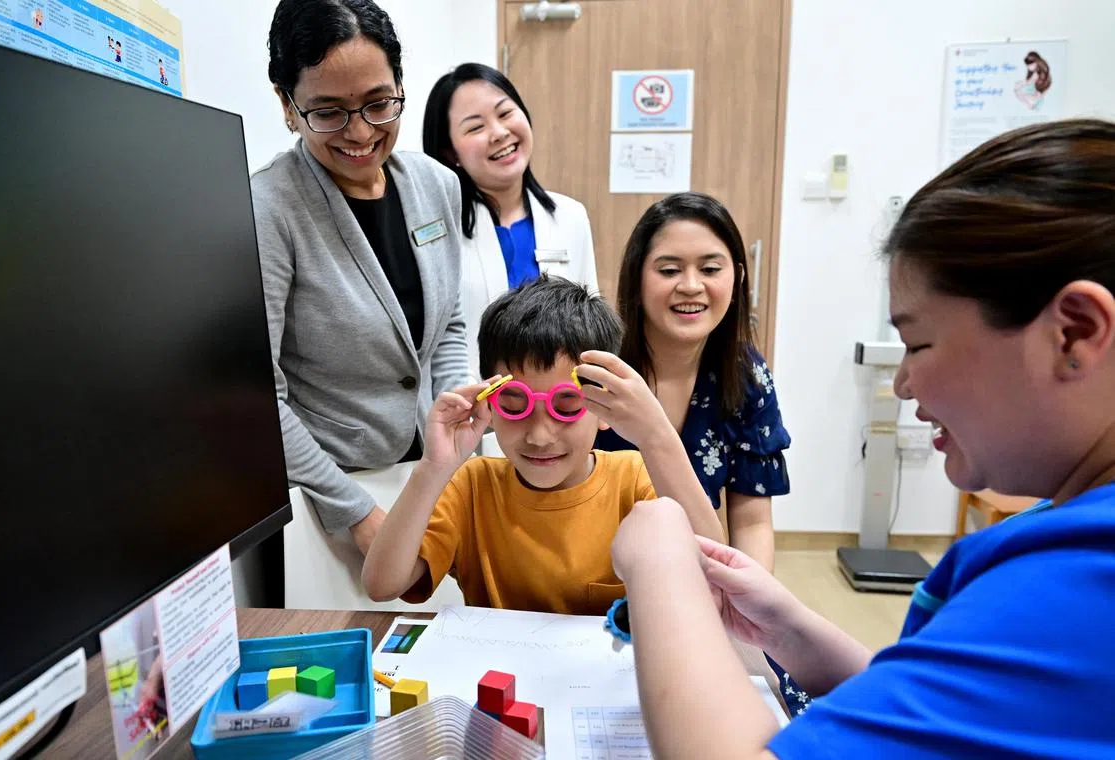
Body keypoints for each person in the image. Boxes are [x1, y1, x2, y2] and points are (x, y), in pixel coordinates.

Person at [610, 119, 1115, 758]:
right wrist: (794, 626)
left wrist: (662, 563)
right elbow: (933, 697)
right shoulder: (1049, 542)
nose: (902, 383)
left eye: (918, 343)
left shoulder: (1070, 581)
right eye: (669, 268)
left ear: (1072, 334)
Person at [362, 275, 724, 613]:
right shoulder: (471, 485)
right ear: (489, 402)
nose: (539, 435)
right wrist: (432, 468)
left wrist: (656, 434)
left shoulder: (631, 480)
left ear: (603, 407)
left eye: (565, 405)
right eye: (515, 405)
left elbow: (713, 569)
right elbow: (381, 584)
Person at [252, 0, 470, 555]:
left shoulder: (435, 184)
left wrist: (451, 438)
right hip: (326, 501)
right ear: (286, 104)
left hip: (427, 478)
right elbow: (257, 393)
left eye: (379, 104)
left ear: (400, 85)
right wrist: (352, 510)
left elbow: (449, 324)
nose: (359, 133)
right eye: (328, 111)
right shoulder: (267, 210)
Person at [596, 192, 790, 570]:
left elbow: (752, 521)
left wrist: (751, 611)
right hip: (586, 582)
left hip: (693, 572)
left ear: (738, 277)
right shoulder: (599, 368)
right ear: (636, 279)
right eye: (669, 270)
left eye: (710, 270)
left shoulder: (746, 376)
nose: (690, 286)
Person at [422, 63, 598, 381]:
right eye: (475, 127)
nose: (500, 133)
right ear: (450, 152)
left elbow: (591, 329)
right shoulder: (435, 231)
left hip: (560, 412)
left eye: (505, 114)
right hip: (475, 415)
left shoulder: (571, 217)